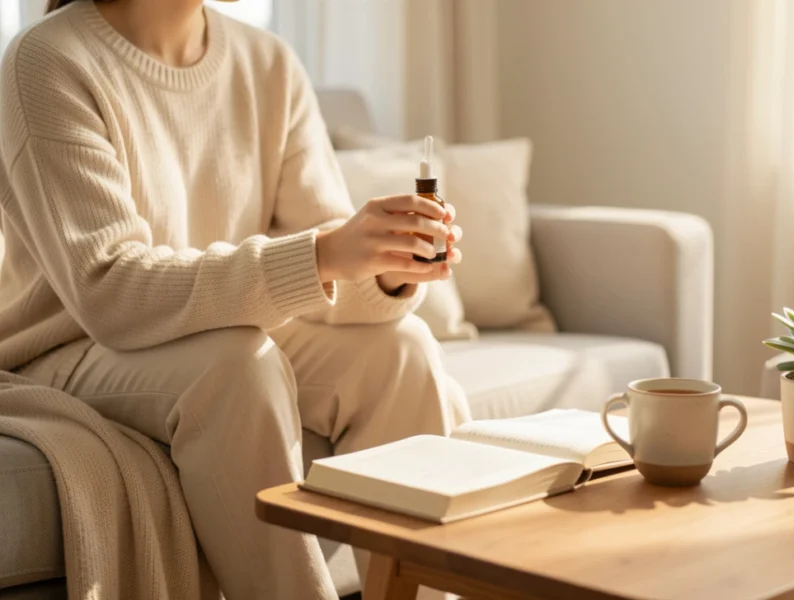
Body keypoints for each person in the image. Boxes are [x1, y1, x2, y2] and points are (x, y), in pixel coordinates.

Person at [0, 0, 470, 598]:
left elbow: (322, 267)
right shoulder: (47, 61)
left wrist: (386, 270)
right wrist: (325, 252)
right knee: (236, 366)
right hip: (73, 346)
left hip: (218, 328)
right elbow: (109, 289)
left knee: (401, 349)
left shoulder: (267, 62)